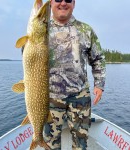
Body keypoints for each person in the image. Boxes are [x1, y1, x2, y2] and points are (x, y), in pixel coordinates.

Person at [43, 0, 106, 150]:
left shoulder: (85, 30)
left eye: (68, 0)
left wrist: (99, 84)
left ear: (74, 3)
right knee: (50, 144)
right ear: (51, 2)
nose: (63, 3)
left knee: (81, 142)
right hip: (49, 97)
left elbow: (98, 59)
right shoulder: (41, 30)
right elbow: (28, 55)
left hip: (80, 97)